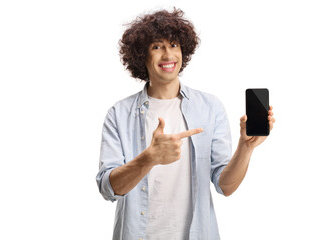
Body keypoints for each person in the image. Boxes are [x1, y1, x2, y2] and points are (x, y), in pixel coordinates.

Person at [96, 7, 275, 240]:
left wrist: (246, 147)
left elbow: (226, 186)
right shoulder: (119, 114)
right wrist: (149, 157)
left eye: (174, 45)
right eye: (157, 46)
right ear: (142, 55)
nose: (168, 55)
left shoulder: (210, 107)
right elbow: (108, 188)